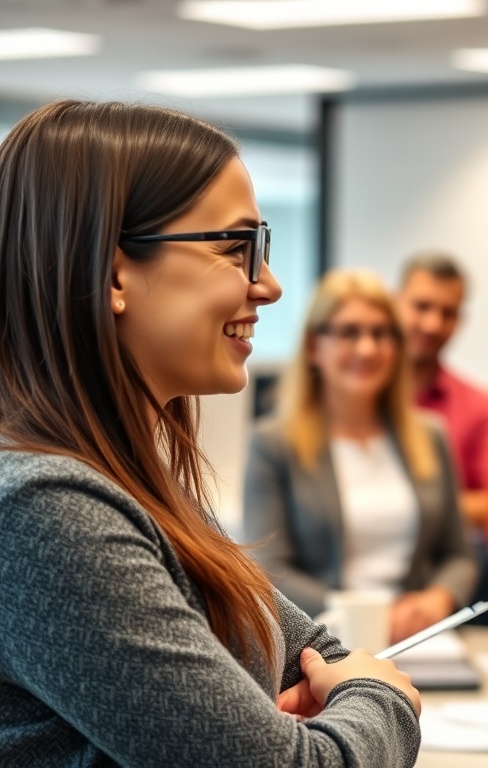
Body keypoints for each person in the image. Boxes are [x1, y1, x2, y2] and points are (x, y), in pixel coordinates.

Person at [0, 100, 420, 766]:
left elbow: (318, 655)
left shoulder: (138, 487)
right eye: (234, 249)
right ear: (113, 272)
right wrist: (381, 699)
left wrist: (323, 708)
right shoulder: (46, 511)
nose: (270, 286)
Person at [243, 268, 478, 644]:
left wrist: (438, 598)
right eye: (349, 333)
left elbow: (459, 555)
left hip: (417, 639)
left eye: (381, 334)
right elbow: (268, 569)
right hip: (322, 639)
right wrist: (363, 616)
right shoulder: (273, 443)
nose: (367, 349)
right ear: (314, 346)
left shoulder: (430, 435)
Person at [394, 252, 488, 622]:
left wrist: (414, 507)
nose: (432, 323)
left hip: (438, 569)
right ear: (395, 302)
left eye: (448, 313)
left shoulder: (479, 406)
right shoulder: (355, 400)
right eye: (421, 307)